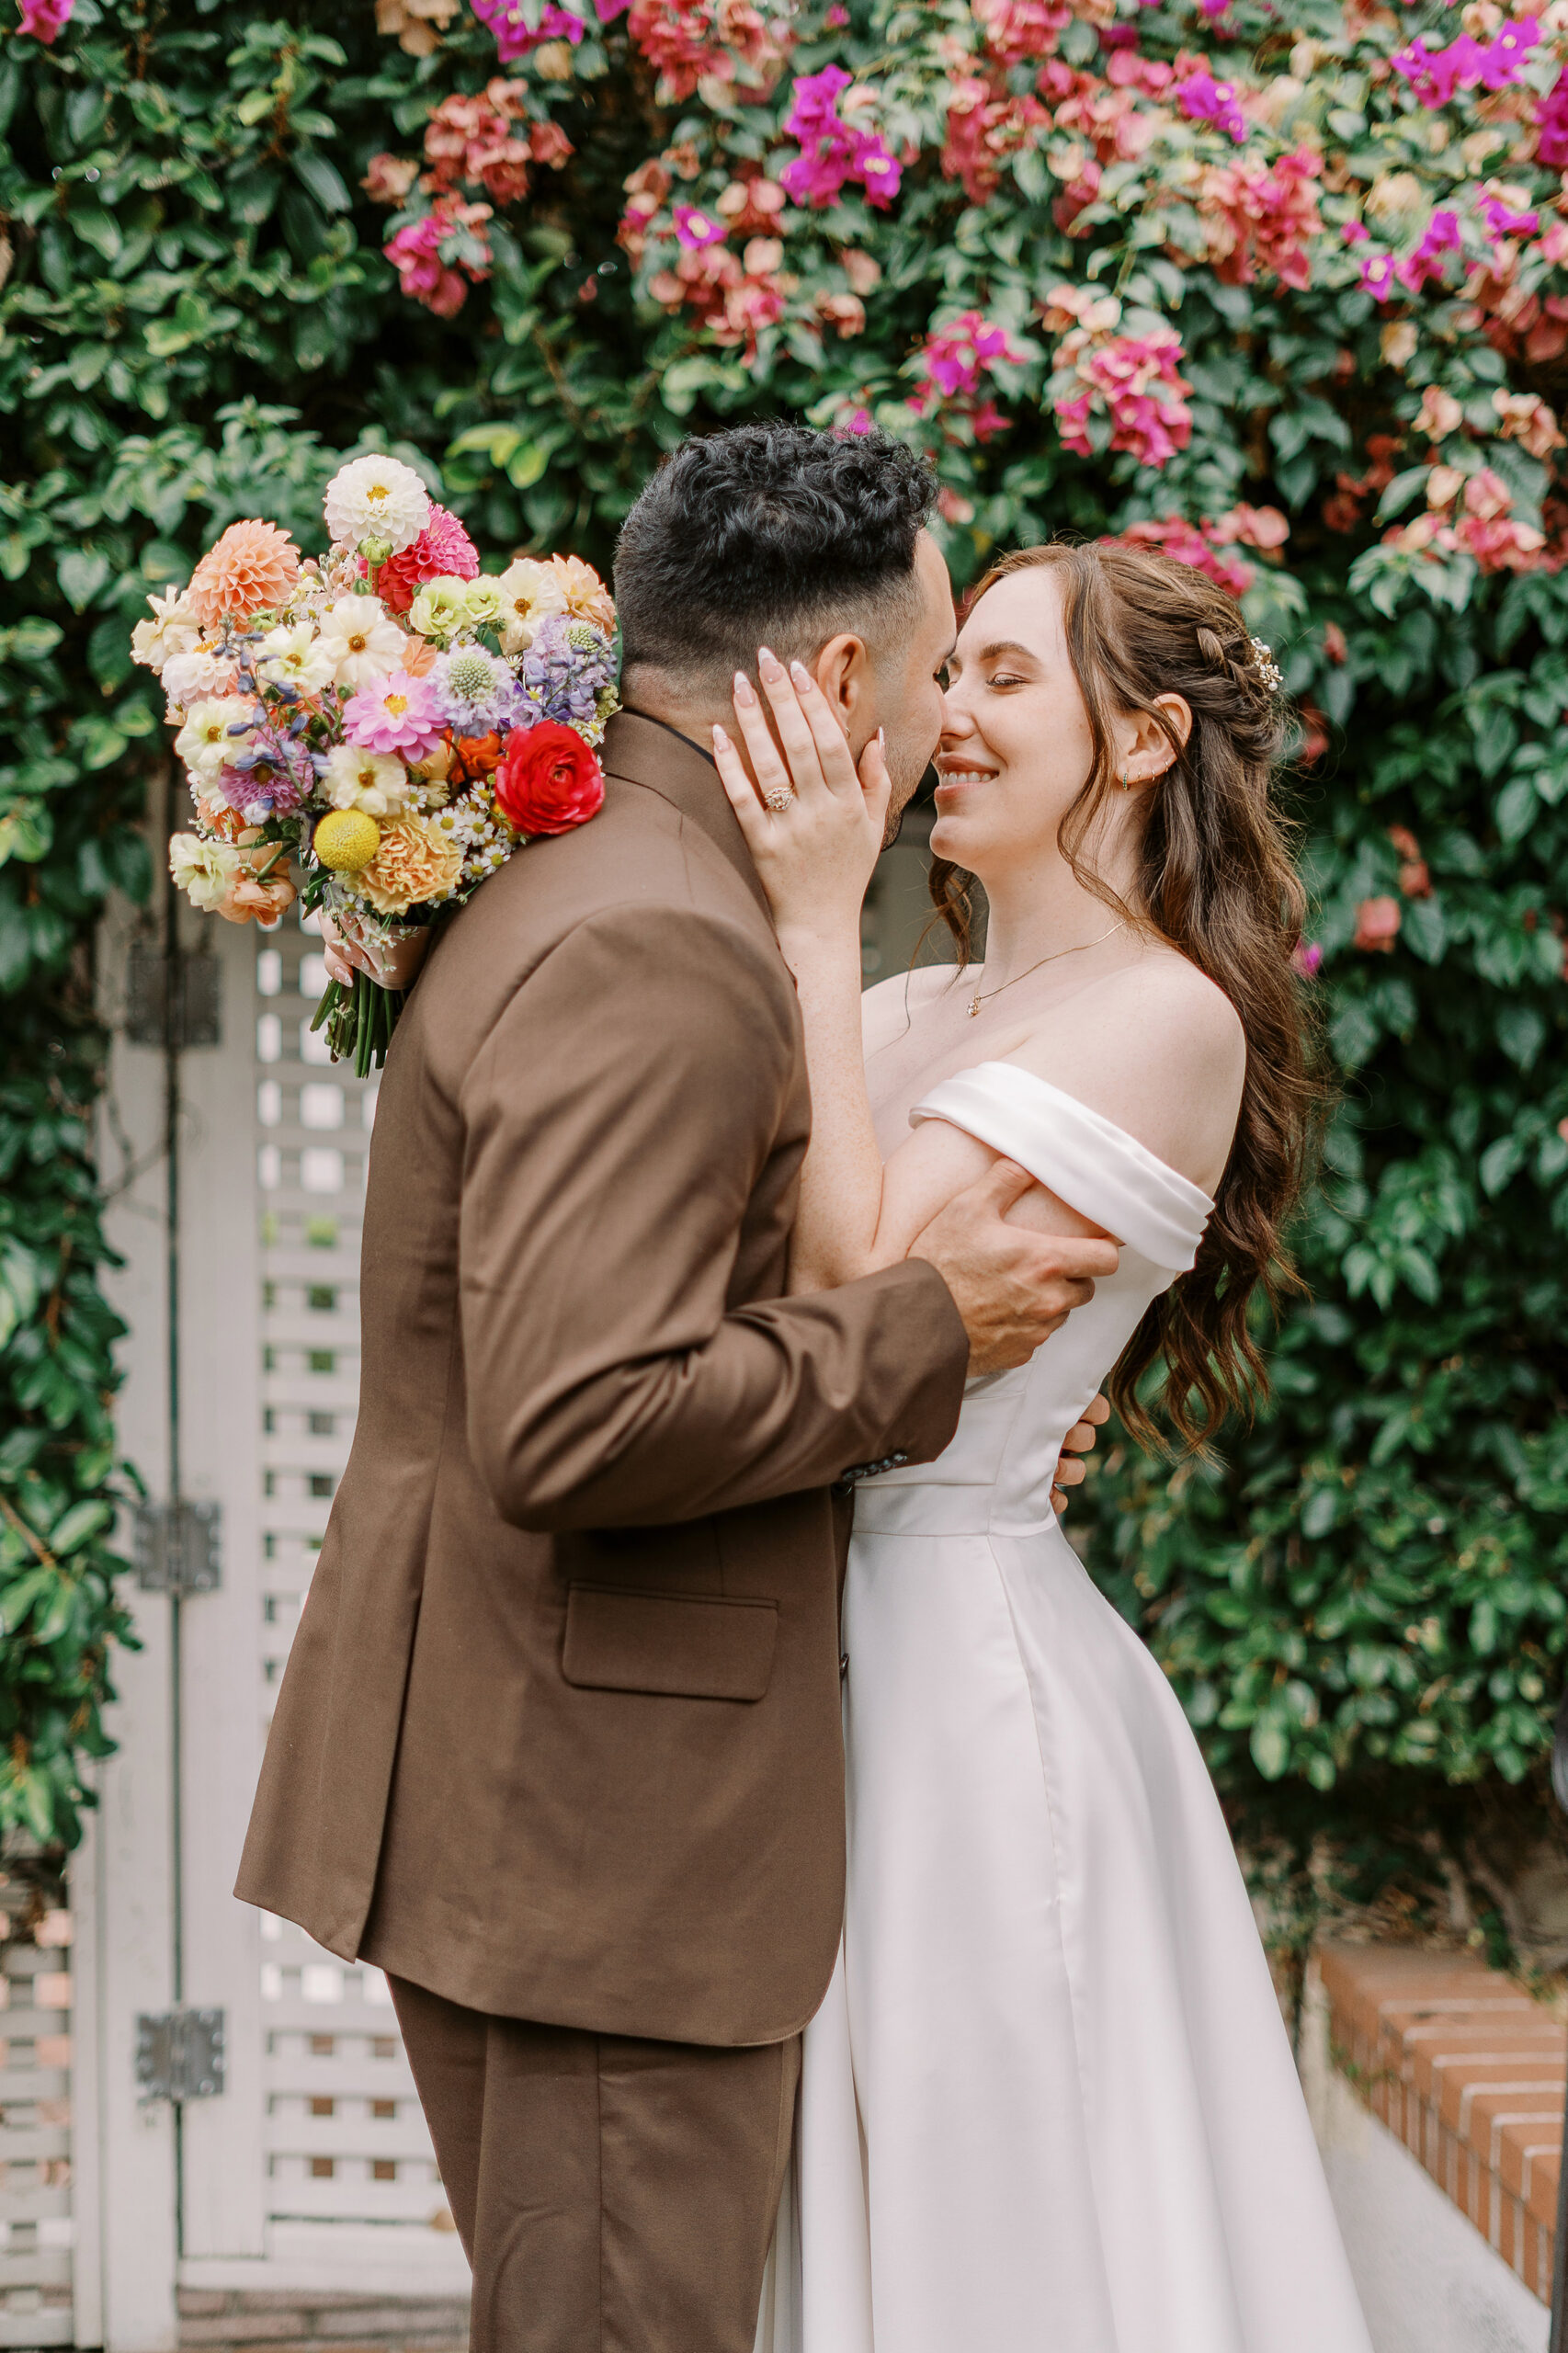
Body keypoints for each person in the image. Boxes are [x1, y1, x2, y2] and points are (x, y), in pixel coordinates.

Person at [235, 426, 1119, 2353]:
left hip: (533, 1777)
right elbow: (576, 1416)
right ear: (826, 683)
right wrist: (924, 1325)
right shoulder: (659, 937)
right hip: (592, 1831)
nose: (943, 711)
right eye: (935, 657)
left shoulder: (606, 863)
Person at [713, 540, 1374, 2353]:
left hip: (969, 1700)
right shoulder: (916, 1015)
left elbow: (847, 1282)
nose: (947, 718)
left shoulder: (1164, 1015)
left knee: (996, 2222)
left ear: (1146, 735)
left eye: (1002, 677)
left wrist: (806, 909)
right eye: (951, 677)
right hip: (811, 1668)